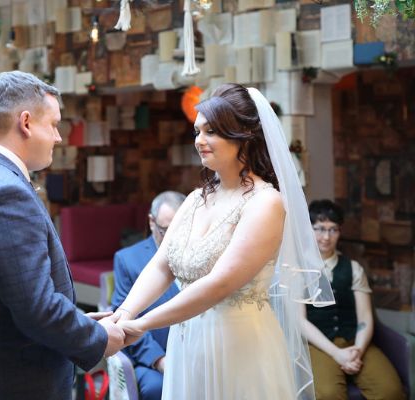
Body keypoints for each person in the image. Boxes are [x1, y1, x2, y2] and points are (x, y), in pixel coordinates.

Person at [112, 83, 335, 399]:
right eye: (197, 132)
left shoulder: (266, 203)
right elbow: (162, 266)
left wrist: (143, 324)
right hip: (187, 343)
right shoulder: (194, 200)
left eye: (211, 131)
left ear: (244, 135)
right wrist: (124, 313)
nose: (199, 141)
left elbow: (220, 283)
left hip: (238, 346)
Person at [0, 71, 125, 400]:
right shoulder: (5, 193)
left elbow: (13, 296)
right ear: (26, 123)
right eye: (53, 124)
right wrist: (99, 338)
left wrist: (81, 322)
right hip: (9, 384)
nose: (58, 137)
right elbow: (37, 309)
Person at [300, 199, 405, 400]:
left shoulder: (354, 268)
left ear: (339, 232)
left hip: (354, 341)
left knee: (390, 390)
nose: (326, 237)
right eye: (320, 229)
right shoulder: (299, 270)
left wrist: (357, 350)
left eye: (333, 230)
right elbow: (300, 321)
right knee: (328, 394)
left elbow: (365, 317)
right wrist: (336, 353)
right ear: (309, 230)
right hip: (318, 345)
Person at [111, 191, 185, 400]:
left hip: (194, 352)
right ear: (152, 222)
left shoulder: (197, 253)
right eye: (166, 230)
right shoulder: (127, 259)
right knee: (156, 388)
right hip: (153, 357)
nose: (173, 237)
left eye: (181, 229)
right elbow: (124, 320)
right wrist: (160, 360)